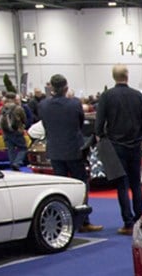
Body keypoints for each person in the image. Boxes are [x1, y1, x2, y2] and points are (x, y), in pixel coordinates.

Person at [39, 73, 102, 232]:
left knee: (60, 187)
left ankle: (63, 220)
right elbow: (79, 124)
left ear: (51, 88)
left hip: (54, 150)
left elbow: (45, 125)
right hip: (73, 150)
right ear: (66, 88)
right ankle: (83, 221)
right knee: (81, 184)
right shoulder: (74, 103)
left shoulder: (43, 105)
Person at [95, 64, 142, 234]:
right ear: (127, 76)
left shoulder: (106, 96)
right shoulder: (138, 95)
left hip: (116, 145)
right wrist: (141, 136)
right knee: (136, 185)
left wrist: (101, 136)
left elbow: (99, 123)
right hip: (135, 145)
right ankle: (139, 218)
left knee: (122, 185)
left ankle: (127, 222)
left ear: (114, 77)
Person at [0, 93, 29, 170]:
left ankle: (12, 164)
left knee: (10, 149)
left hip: (6, 131)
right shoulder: (18, 108)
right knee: (23, 148)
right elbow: (24, 119)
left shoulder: (3, 108)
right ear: (15, 98)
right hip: (16, 130)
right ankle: (17, 162)